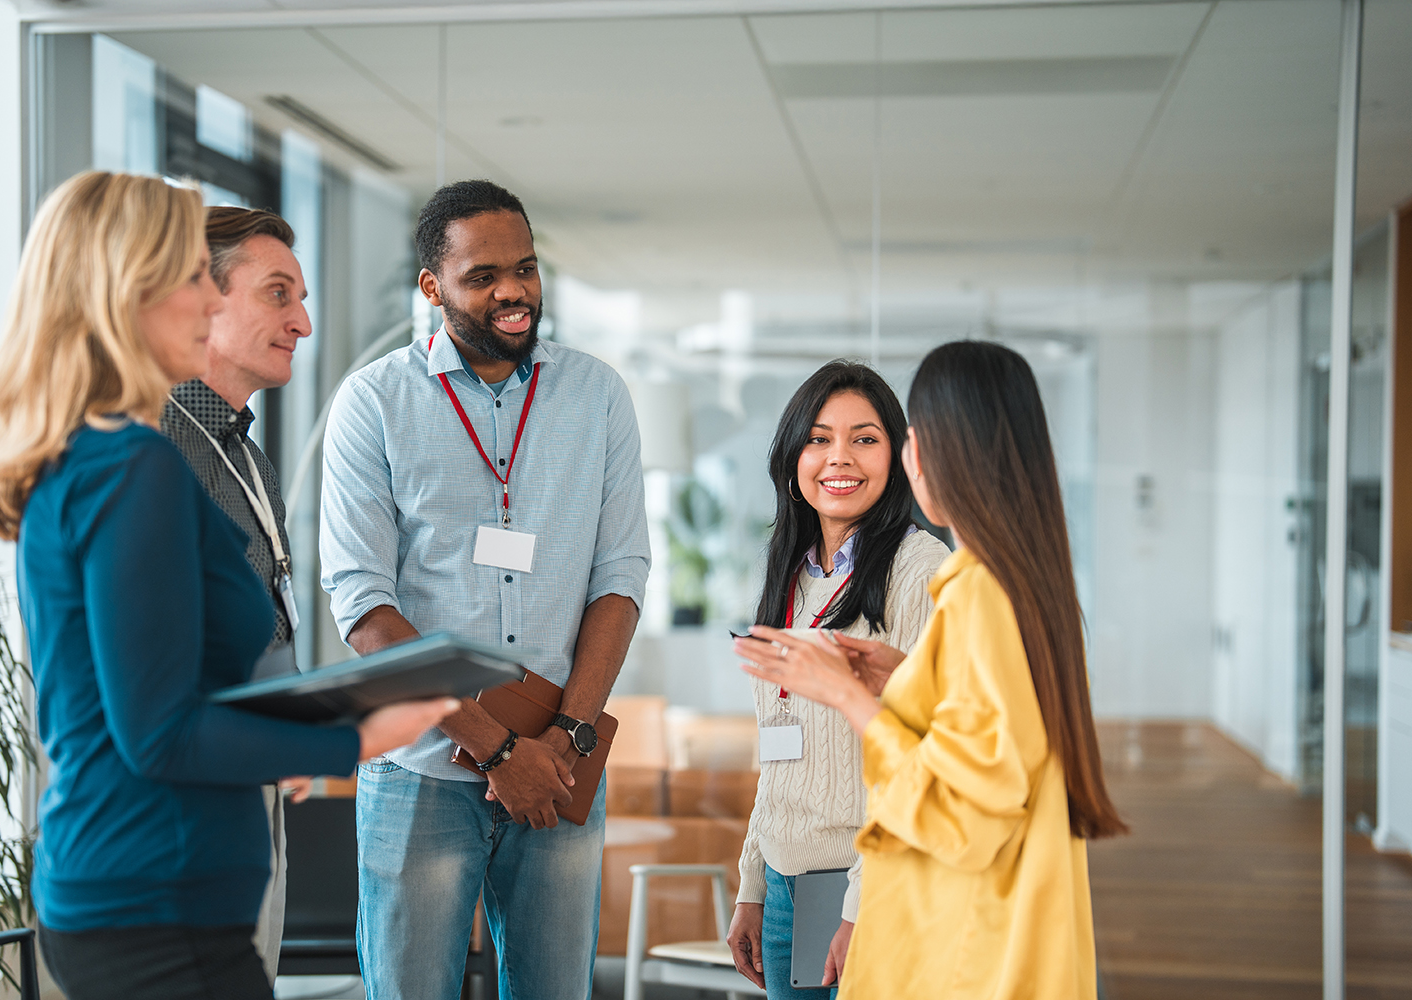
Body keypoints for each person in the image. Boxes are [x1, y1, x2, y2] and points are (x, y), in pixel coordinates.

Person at [0, 171, 455, 1000]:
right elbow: (159, 734)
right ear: (134, 290)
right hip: (160, 899)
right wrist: (359, 739)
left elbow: (148, 688)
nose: (208, 299)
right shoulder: (136, 467)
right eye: (196, 277)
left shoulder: (81, 456)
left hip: (131, 887)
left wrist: (283, 734)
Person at [318, 179, 650, 1000]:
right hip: (421, 769)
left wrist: (564, 741)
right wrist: (497, 749)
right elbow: (363, 606)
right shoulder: (375, 401)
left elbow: (620, 577)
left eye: (527, 269)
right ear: (432, 289)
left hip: (561, 761)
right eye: (484, 275)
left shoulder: (598, 395)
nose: (514, 291)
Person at [734, 340, 1127, 1000]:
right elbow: (981, 747)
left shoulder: (964, 588)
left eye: (881, 438)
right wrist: (904, 681)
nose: (842, 458)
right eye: (820, 438)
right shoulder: (1010, 586)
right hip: (925, 910)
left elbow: (963, 814)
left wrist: (850, 699)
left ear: (928, 453)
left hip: (952, 924)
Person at [723, 361, 950, 997]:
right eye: (819, 438)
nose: (839, 458)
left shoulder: (921, 570)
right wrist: (754, 884)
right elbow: (779, 747)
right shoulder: (789, 578)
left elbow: (918, 758)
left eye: (865, 438)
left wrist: (861, 904)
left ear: (898, 455)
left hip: (868, 886)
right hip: (787, 891)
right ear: (793, 455)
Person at [157, 206, 313, 980]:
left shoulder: (249, 457)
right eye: (279, 295)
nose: (304, 322)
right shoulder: (150, 442)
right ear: (204, 299)